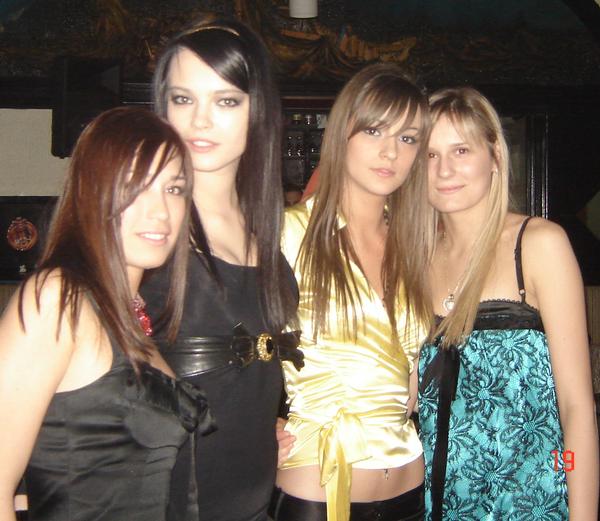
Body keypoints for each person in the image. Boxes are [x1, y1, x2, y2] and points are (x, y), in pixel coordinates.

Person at [0, 106, 213, 521]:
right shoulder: (57, 298)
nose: (160, 211)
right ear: (90, 193)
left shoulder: (131, 311)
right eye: (135, 186)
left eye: (173, 188)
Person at [142, 18, 302, 521]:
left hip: (255, 504)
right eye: (183, 99)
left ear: (258, 112)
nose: (200, 121)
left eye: (226, 101)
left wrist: (261, 425)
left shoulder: (265, 234)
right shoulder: (140, 227)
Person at [417, 87, 599, 520]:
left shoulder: (538, 244)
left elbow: (576, 407)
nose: (444, 169)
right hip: (430, 501)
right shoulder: (414, 259)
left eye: (461, 150)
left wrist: (583, 513)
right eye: (429, 154)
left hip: (530, 503)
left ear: (495, 155)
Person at [273, 63, 432, 521]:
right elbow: (231, 342)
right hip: (319, 487)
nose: (390, 152)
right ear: (343, 132)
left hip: (409, 486)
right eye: (374, 130)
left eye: (408, 138)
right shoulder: (289, 233)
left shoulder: (415, 245)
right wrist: (256, 423)